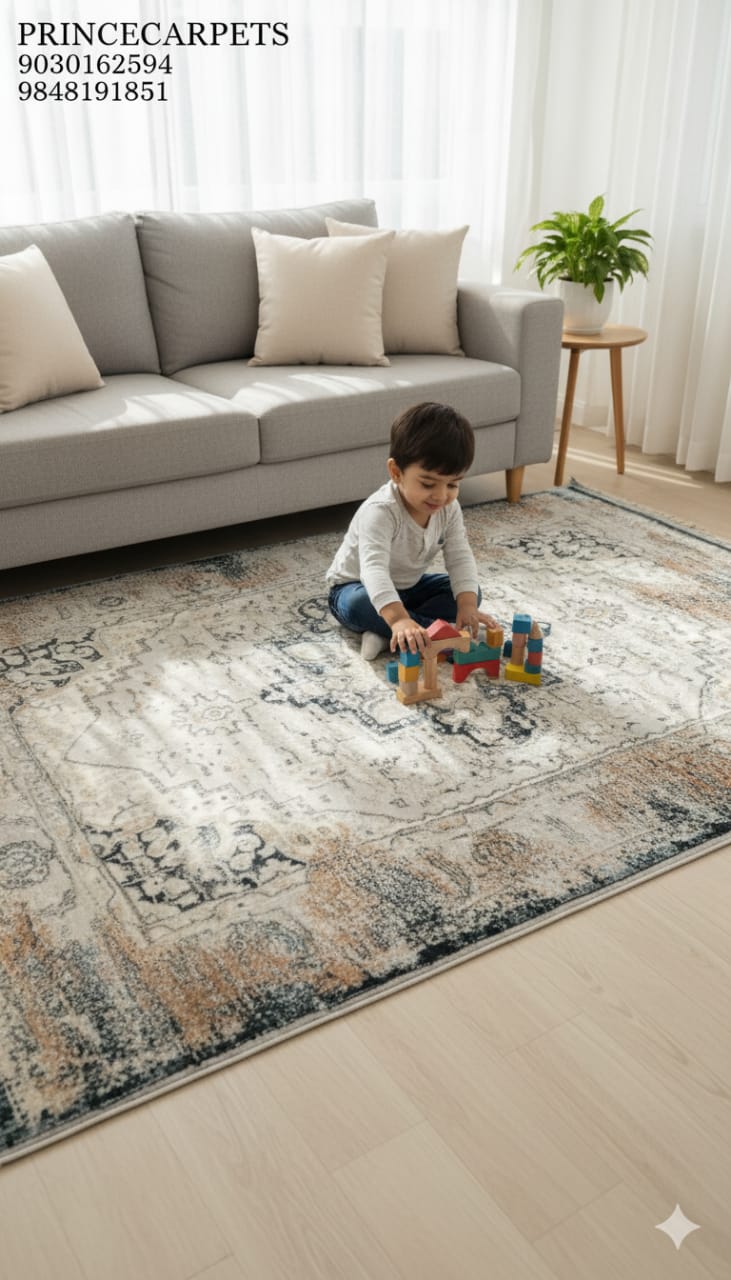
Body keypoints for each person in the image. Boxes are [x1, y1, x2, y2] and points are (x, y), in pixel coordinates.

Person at [326, 401, 497, 660]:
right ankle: (423, 633)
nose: (441, 495)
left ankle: (389, 634)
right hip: (356, 587)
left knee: (469, 593)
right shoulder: (381, 511)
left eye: (452, 484)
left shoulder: (449, 509)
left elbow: (460, 556)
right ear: (396, 472)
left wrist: (467, 605)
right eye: (428, 483)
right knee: (358, 605)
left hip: (409, 589)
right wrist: (397, 619)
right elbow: (373, 571)